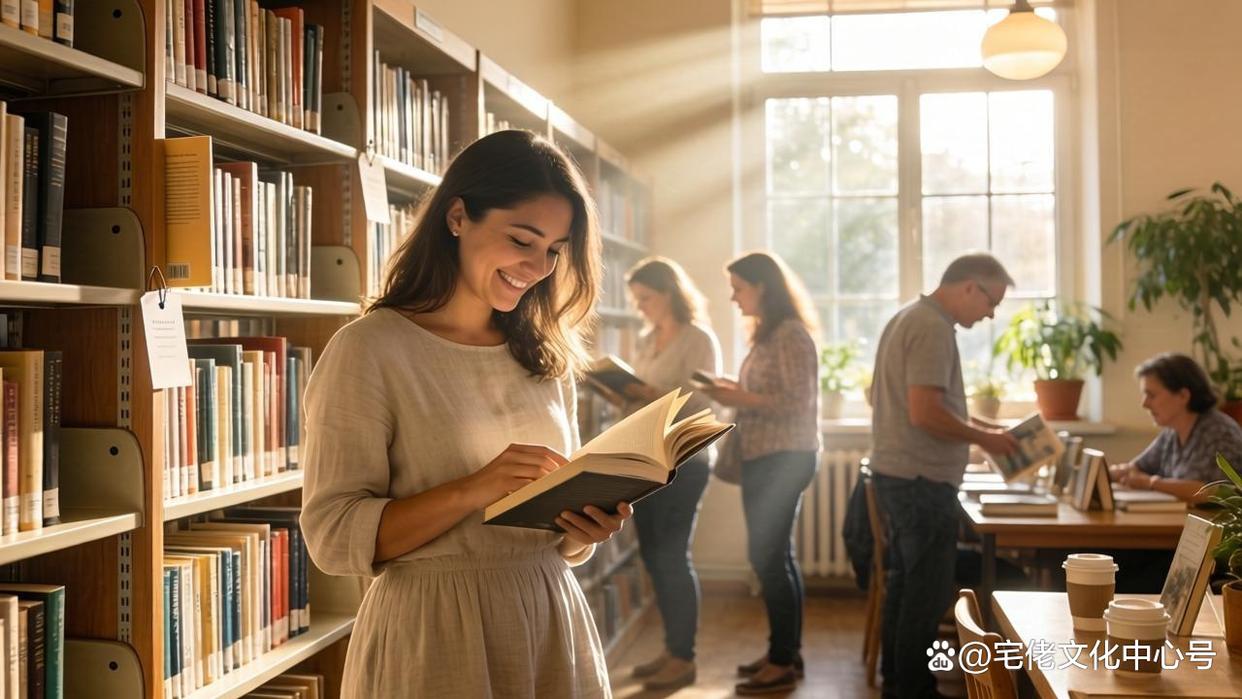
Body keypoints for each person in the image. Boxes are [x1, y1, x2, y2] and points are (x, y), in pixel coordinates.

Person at [299, 130, 631, 698]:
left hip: (549, 618)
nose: (538, 266)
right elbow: (331, 538)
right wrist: (473, 489)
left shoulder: (546, 354)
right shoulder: (371, 349)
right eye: (522, 239)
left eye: (554, 249)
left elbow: (562, 541)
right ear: (457, 216)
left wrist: (586, 532)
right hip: (433, 634)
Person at [868, 253, 1018, 699]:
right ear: (970, 286)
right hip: (922, 480)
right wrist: (985, 440)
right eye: (991, 302)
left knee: (905, 585)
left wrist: (985, 431)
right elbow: (926, 412)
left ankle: (898, 681)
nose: (990, 314)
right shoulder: (932, 327)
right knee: (927, 595)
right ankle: (915, 689)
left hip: (901, 474)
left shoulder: (907, 317)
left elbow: (927, 405)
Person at [700, 251, 820, 696]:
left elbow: (796, 402)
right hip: (768, 457)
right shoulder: (768, 335)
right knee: (775, 559)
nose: (733, 298)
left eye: (738, 288)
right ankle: (784, 653)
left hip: (782, 458)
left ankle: (783, 659)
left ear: (762, 287)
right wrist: (736, 392)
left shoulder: (789, 335)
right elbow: (770, 394)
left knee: (768, 560)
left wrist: (739, 396)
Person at [607, 257, 723, 691]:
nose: (641, 308)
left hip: (685, 462)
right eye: (636, 301)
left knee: (673, 557)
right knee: (654, 557)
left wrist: (649, 394)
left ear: (670, 293)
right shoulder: (646, 338)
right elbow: (637, 403)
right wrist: (622, 391)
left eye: (647, 298)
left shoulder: (698, 339)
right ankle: (672, 651)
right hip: (646, 461)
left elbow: (706, 406)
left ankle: (683, 657)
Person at [1110, 352, 1242, 502]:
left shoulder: (1220, 432)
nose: (1144, 404)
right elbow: (1138, 468)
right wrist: (1109, 473)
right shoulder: (1171, 433)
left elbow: (1214, 492)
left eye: (1151, 395)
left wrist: (1151, 483)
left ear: (1183, 396)